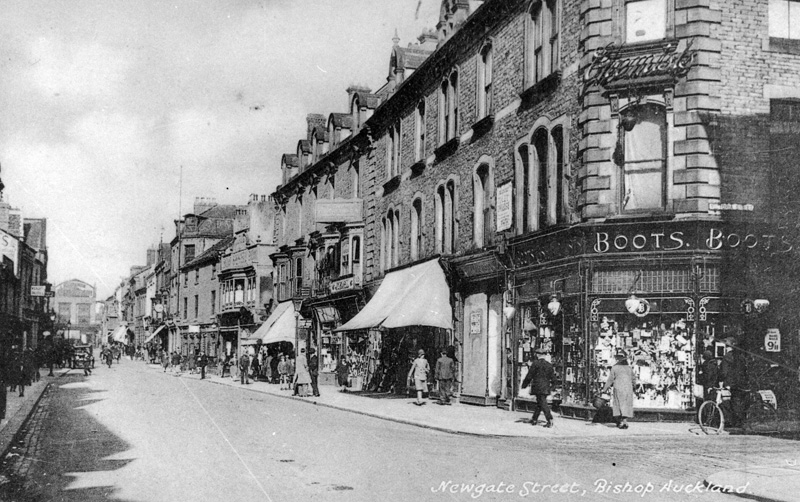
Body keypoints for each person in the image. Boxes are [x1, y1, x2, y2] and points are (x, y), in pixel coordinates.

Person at [521, 348, 557, 427]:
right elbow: (554, 378)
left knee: (543, 403)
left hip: (537, 387)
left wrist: (524, 385)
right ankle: (534, 419)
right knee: (539, 403)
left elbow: (529, 376)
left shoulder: (535, 364)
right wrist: (552, 387)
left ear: (537, 355)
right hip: (546, 387)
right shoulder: (549, 365)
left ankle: (549, 419)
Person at [601, 350, 635, 429]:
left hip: (618, 388)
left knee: (619, 404)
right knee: (626, 405)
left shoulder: (615, 368)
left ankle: (620, 422)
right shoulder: (629, 368)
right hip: (628, 388)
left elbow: (610, 379)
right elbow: (633, 378)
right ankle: (625, 421)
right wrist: (634, 385)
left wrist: (605, 389)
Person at [720, 337, 748, 427]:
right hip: (742, 382)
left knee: (732, 402)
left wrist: (723, 382)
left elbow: (724, 372)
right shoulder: (741, 357)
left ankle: (735, 422)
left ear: (727, 347)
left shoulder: (726, 357)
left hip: (732, 383)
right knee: (740, 401)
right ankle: (741, 420)